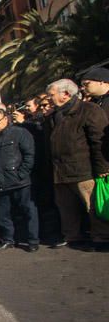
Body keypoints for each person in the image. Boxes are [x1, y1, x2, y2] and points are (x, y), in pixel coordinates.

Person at [45, 78, 109, 251]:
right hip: (60, 172)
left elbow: (98, 141)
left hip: (83, 170)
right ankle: (73, 236)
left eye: (51, 95)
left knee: (93, 207)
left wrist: (102, 168)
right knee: (66, 209)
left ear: (65, 94)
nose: (48, 98)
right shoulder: (53, 116)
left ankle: (102, 238)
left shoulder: (89, 110)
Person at [0, 108, 39, 251]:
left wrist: (21, 174)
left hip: (19, 181)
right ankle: (8, 239)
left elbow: (29, 155)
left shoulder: (19, 133)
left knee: (28, 210)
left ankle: (32, 240)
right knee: (3, 214)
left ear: (6, 119)